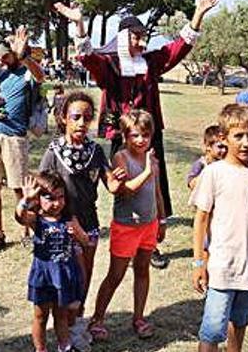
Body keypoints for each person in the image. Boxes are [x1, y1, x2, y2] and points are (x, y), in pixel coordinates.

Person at [56, 0, 219, 269]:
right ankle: (126, 240)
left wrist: (198, 13)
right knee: (123, 188)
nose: (141, 41)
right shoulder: (109, 65)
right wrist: (79, 24)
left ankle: (151, 243)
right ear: (122, 38)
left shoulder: (151, 62)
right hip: (120, 136)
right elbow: (86, 57)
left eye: (143, 35)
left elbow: (180, 46)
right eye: (135, 36)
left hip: (150, 136)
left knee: (153, 185)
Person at [191, 103, 248, 352]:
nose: (245, 142)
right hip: (222, 266)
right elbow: (201, 220)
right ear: (223, 138)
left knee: (240, 322)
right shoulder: (214, 173)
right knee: (211, 330)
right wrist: (199, 262)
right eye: (238, 136)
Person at [38, 91, 119, 324]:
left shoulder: (95, 151)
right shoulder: (53, 152)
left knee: (84, 278)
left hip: (89, 224)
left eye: (87, 117)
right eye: (76, 117)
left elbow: (111, 184)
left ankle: (78, 325)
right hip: (62, 228)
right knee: (65, 279)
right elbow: (40, 190)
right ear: (63, 118)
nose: (82, 123)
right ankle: (64, 327)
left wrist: (122, 177)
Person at [88, 110, 165, 341]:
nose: (140, 140)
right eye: (134, 135)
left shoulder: (152, 160)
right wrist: (148, 172)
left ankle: (139, 317)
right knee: (116, 274)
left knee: (143, 271)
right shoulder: (121, 158)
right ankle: (97, 319)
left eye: (145, 135)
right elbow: (127, 190)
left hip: (148, 225)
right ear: (124, 136)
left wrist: (161, 220)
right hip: (126, 226)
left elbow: (157, 193)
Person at [0, 27, 45, 254]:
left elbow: (40, 75)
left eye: (5, 55)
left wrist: (23, 55)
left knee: (19, 187)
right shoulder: (0, 72)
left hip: (15, 137)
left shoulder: (27, 73)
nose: (1, 59)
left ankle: (26, 230)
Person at [15, 172, 90, 352]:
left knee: (61, 315)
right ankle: (40, 349)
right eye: (50, 198)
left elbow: (86, 241)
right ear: (38, 199)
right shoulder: (37, 221)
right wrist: (25, 199)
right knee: (40, 316)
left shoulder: (70, 219)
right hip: (43, 275)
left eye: (60, 197)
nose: (57, 203)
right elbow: (19, 217)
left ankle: (65, 346)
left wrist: (77, 234)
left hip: (64, 275)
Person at [186, 124, 227, 192]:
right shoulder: (201, 164)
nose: (224, 150)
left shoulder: (226, 163)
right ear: (208, 146)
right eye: (220, 147)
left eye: (226, 147)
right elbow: (191, 184)